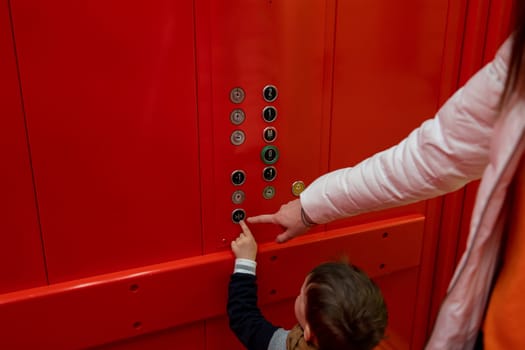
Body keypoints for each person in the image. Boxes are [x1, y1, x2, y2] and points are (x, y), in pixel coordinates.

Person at [248, 3, 525, 349]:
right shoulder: (516, 71)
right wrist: (310, 207)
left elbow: (245, 321)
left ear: (308, 333)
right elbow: (428, 158)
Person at [227, 220, 387, 350]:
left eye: (302, 296)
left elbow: (244, 317)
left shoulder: (285, 346)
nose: (299, 293)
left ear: (309, 332)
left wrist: (245, 261)